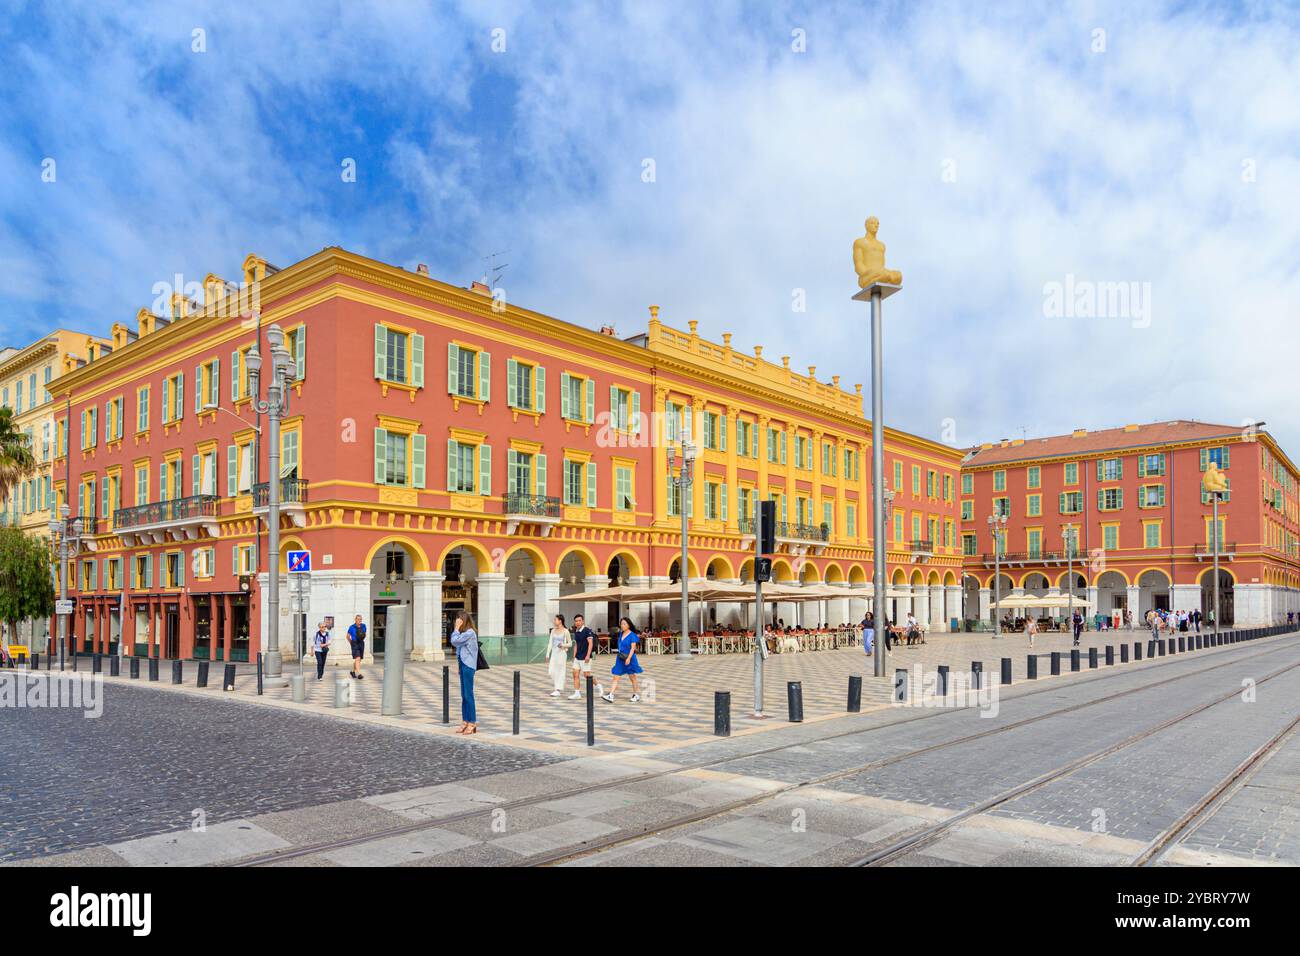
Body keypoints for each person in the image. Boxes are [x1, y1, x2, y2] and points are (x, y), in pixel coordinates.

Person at [600, 617, 643, 703]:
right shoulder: (621, 634)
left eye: (624, 624)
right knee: (616, 676)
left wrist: (629, 658)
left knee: (632, 677)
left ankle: (636, 695)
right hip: (620, 658)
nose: (622, 626)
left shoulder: (632, 635)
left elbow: (633, 648)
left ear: (629, 625)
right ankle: (611, 695)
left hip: (629, 658)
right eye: (621, 624)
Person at [450, 613, 479, 734]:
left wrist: (456, 628)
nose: (457, 621)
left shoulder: (470, 633)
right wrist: (459, 666)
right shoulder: (464, 634)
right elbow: (459, 650)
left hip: (468, 666)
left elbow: (454, 641)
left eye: (459, 619)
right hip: (463, 665)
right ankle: (465, 721)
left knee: (468, 695)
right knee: (463, 695)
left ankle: (472, 722)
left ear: (464, 621)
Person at [570, 613, 595, 699]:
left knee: (586, 675)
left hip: (585, 657)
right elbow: (576, 645)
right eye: (576, 621)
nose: (578, 622)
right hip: (578, 657)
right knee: (575, 674)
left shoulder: (587, 630)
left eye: (579, 621)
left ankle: (598, 685)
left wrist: (588, 655)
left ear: (583, 621)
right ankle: (577, 693)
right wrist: (573, 656)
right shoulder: (576, 631)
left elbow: (590, 644)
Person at [545, 613, 571, 697]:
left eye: (555, 620)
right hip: (554, 654)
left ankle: (557, 689)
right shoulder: (553, 630)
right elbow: (550, 643)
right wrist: (547, 654)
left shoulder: (566, 631)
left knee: (560, 671)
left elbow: (570, 643)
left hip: (562, 654)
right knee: (551, 671)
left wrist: (563, 645)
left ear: (560, 621)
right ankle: (558, 686)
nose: (554, 621)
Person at [346, 614, 367, 680]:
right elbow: (347, 636)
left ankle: (353, 672)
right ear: (355, 620)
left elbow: (364, 634)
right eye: (358, 619)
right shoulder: (351, 627)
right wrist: (351, 643)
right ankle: (359, 673)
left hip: (361, 643)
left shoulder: (364, 626)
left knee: (359, 659)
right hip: (354, 643)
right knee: (357, 658)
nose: (359, 620)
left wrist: (362, 639)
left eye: (360, 619)